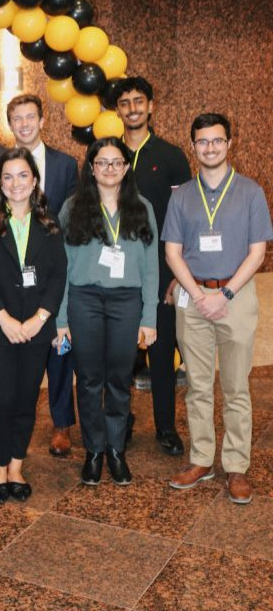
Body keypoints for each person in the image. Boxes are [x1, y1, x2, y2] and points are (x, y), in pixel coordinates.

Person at [164, 113, 273, 504]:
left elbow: (257, 252)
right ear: (193, 146)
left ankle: (236, 466)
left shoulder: (250, 192)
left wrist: (223, 295)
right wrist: (197, 293)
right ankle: (201, 459)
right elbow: (172, 253)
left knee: (236, 387)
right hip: (193, 299)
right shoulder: (181, 196)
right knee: (196, 385)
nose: (210, 147)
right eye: (202, 142)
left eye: (217, 141)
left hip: (236, 296)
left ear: (230, 144)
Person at [57, 137, 158, 486]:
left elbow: (151, 269)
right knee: (88, 379)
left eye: (117, 162)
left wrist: (149, 319)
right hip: (83, 299)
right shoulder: (73, 207)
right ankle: (93, 450)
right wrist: (60, 319)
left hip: (126, 302)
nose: (110, 169)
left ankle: (116, 450)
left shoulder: (141, 207)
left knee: (118, 379)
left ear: (126, 167)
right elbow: (62, 267)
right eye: (102, 162)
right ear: (91, 168)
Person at [0, 148, 67, 503]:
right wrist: (5, 319)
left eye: (23, 175)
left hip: (36, 327)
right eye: (7, 177)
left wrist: (41, 318)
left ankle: (15, 465)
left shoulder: (49, 222)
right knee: (0, 398)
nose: (16, 183)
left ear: (35, 180)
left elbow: (57, 275)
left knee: (26, 398)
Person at [114, 77, 191, 456]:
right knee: (122, 356)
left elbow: (186, 219)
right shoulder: (108, 155)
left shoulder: (172, 157)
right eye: (125, 103)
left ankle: (165, 427)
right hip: (118, 274)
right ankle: (121, 423)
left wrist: (179, 275)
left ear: (151, 106)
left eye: (138, 101)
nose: (132, 108)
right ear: (117, 110)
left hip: (161, 271)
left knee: (162, 354)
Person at [7, 93, 79, 458]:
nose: (24, 124)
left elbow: (72, 219)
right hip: (13, 275)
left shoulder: (66, 165)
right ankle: (14, 421)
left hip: (52, 269)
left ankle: (62, 424)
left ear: (42, 120)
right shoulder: (1, 167)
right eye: (16, 118)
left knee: (58, 347)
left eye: (29, 117)